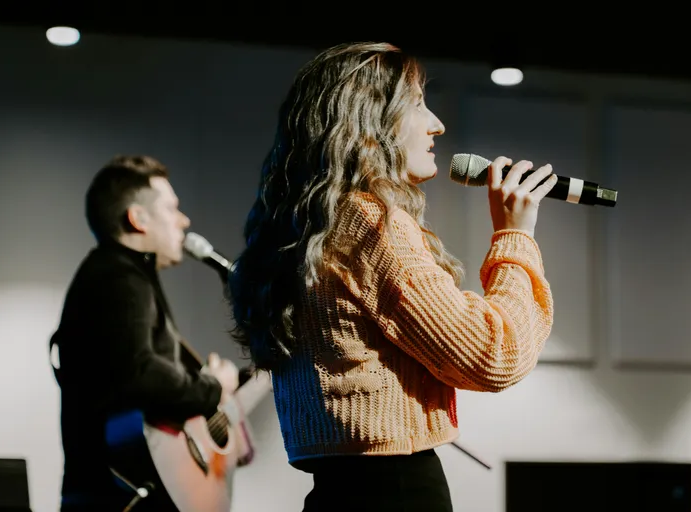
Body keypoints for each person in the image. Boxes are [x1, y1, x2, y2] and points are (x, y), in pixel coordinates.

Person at [228, 42, 557, 512]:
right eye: (418, 103)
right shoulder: (368, 224)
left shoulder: (304, 226)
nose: (437, 124)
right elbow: (495, 354)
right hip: (396, 491)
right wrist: (514, 236)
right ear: (372, 121)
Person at [49, 155, 240, 511]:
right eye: (172, 209)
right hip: (117, 498)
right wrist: (214, 388)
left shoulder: (121, 275)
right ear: (137, 219)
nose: (184, 221)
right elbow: (140, 373)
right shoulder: (119, 278)